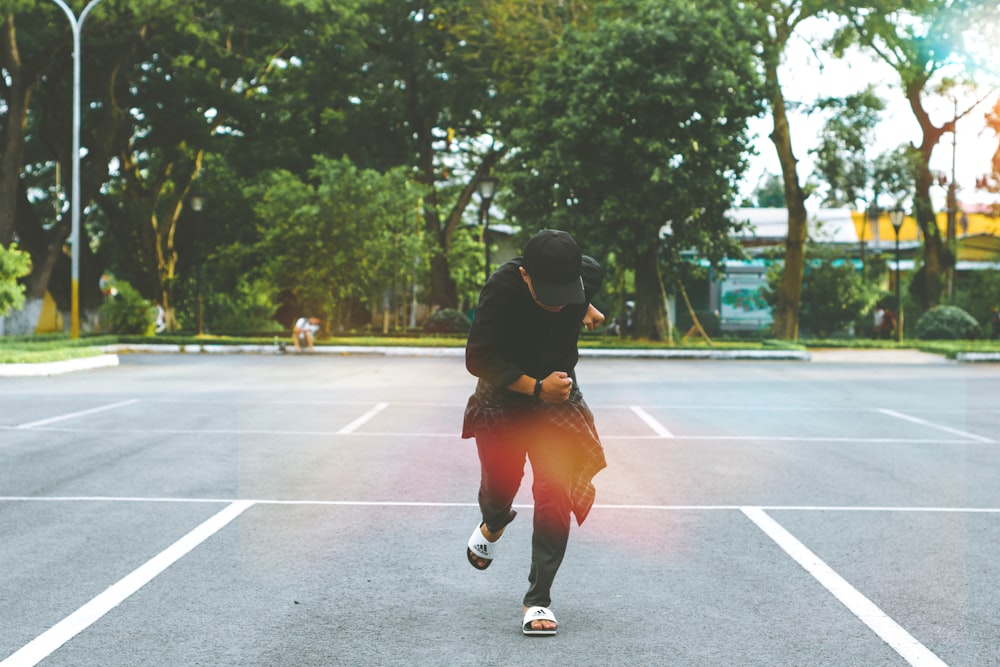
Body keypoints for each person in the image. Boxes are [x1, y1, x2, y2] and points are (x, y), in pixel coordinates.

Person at [461, 228, 607, 637]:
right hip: (504, 395)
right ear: (526, 276)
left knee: (554, 492)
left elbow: (574, 290)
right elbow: (478, 358)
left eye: (568, 293)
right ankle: (494, 520)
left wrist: (586, 305)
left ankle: (538, 598)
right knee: (500, 487)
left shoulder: (586, 276)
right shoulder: (502, 289)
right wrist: (536, 388)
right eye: (550, 294)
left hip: (557, 401)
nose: (560, 304)